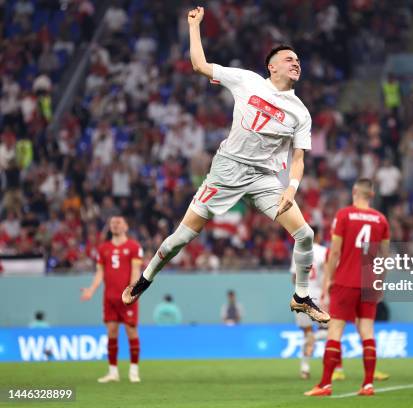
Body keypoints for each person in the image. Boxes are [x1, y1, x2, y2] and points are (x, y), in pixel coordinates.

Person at [122, 6, 328, 324]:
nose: (296, 63)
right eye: (289, 59)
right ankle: (146, 277)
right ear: (272, 67)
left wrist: (292, 187)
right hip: (227, 170)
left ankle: (301, 297)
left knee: (305, 234)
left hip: (264, 178)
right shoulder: (246, 81)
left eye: (298, 60)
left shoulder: (301, 112)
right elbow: (199, 65)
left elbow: (298, 158)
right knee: (181, 238)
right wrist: (194, 26)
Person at [305, 178, 390, 397]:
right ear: (371, 195)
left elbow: (334, 252)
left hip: (345, 281)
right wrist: (379, 283)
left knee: (335, 331)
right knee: (367, 332)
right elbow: (384, 257)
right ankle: (368, 384)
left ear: (354, 191)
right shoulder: (381, 220)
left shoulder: (344, 215)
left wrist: (327, 283)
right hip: (369, 283)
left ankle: (325, 384)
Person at [81, 216, 143, 383]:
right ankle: (113, 372)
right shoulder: (103, 249)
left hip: (126, 298)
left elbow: (135, 270)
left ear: (126, 226)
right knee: (111, 333)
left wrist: (132, 291)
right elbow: (100, 273)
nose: (115, 225)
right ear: (109, 227)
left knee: (131, 331)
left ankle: (134, 371)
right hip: (109, 298)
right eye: (112, 223)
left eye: (119, 222)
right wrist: (91, 290)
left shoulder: (134, 247)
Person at [289, 226, 327, 379]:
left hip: (301, 296)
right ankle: (334, 367)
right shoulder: (323, 252)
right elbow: (328, 273)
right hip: (319, 295)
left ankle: (305, 368)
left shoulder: (298, 251)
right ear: (317, 236)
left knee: (307, 332)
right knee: (329, 330)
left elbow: (294, 278)